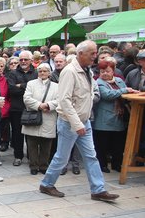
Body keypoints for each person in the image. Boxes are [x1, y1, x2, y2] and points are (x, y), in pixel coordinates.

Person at [39, 41, 119, 202]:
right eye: (92, 53)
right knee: (62, 157)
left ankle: (98, 189)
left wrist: (84, 121)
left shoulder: (87, 70)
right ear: (81, 54)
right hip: (70, 123)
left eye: (95, 53)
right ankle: (47, 184)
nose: (95, 56)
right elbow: (65, 101)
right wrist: (77, 124)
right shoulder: (69, 71)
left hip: (84, 121)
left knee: (91, 156)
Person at [94, 59, 138, 172]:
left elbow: (126, 93)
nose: (104, 73)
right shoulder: (98, 82)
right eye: (102, 71)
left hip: (118, 117)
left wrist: (127, 91)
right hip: (103, 120)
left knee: (118, 144)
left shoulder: (119, 81)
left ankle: (117, 164)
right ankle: (102, 164)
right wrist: (124, 90)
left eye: (107, 71)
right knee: (102, 144)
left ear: (113, 71)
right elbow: (108, 95)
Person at [22, 63, 59, 175]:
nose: (42, 73)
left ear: (49, 73)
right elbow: (26, 98)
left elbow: (60, 100)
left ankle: (43, 165)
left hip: (49, 116)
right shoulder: (31, 84)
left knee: (46, 144)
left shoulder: (56, 86)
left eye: (45, 71)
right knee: (32, 143)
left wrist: (48, 105)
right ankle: (33, 165)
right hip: (33, 116)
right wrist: (39, 105)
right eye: (40, 71)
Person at [7, 50, 38, 166]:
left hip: (31, 108)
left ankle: (32, 157)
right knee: (17, 134)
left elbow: (37, 89)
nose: (23, 61)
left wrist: (21, 85)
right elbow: (12, 90)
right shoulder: (13, 74)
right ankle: (18, 156)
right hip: (17, 109)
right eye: (21, 60)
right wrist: (29, 87)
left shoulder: (36, 73)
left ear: (31, 60)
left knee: (31, 134)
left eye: (25, 59)